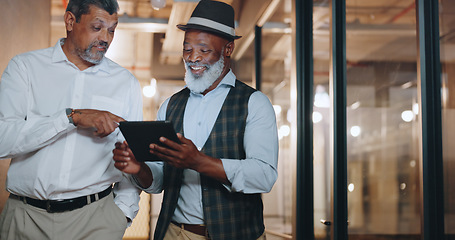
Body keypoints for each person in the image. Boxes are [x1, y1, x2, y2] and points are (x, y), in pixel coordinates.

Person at [113, 0, 278, 239]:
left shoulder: (254, 103)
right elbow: (159, 181)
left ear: (228, 49)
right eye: (187, 49)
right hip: (176, 233)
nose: (193, 58)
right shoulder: (170, 105)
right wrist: (139, 169)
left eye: (204, 50)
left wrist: (199, 161)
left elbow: (264, 176)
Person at [0, 0, 143, 239]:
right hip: (25, 219)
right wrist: (70, 117)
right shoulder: (25, 68)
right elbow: (2, 141)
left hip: (96, 221)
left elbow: (130, 155)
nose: (105, 38)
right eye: (97, 27)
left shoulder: (125, 83)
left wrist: (123, 214)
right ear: (70, 21)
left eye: (111, 30)